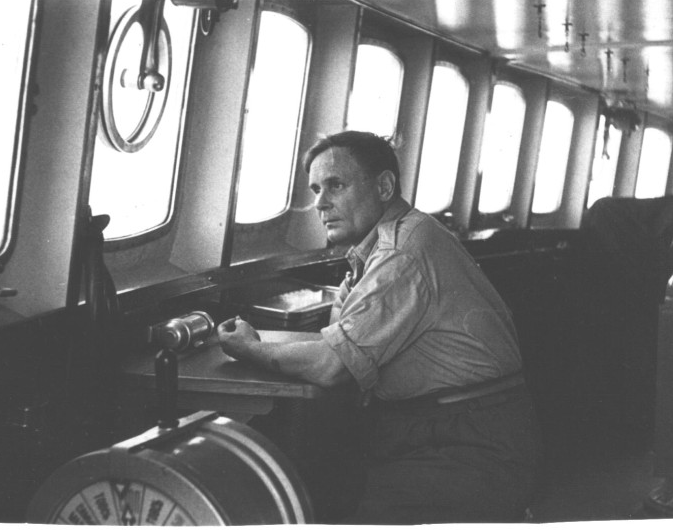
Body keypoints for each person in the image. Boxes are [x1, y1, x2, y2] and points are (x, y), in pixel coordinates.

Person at [218, 130, 541, 523]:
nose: (320, 203)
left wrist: (250, 348)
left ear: (384, 186)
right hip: (440, 426)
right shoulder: (385, 244)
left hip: (469, 442)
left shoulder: (403, 251)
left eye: (336, 185)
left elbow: (332, 365)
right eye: (316, 189)